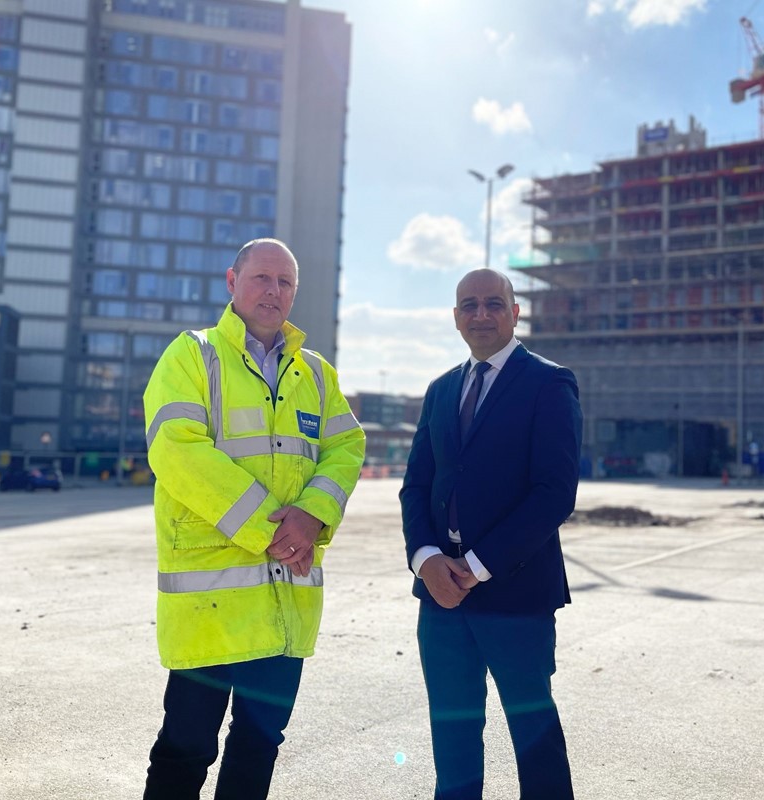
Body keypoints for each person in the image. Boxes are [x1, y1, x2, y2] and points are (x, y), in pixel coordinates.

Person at [142, 238, 366, 799]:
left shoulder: (316, 373)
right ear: (232, 282)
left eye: (285, 282)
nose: (274, 291)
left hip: (284, 602)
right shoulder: (193, 356)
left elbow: (346, 448)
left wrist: (313, 515)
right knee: (186, 745)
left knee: (260, 743)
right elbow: (177, 450)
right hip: (212, 606)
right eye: (262, 278)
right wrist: (275, 530)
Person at [400, 268, 582, 800]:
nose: (481, 314)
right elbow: (417, 487)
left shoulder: (549, 383)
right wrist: (427, 559)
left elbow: (554, 493)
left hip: (515, 594)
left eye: (493, 304)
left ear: (515, 312)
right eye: (469, 305)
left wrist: (477, 567)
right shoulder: (440, 390)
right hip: (441, 599)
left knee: (534, 737)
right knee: (452, 737)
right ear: (456, 317)